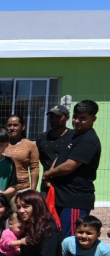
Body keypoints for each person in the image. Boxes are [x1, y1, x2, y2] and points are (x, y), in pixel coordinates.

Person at [42, 100, 102, 238]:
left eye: (82, 118)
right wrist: (50, 175)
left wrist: (48, 174)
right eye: (75, 117)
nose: (77, 121)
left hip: (74, 200)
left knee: (71, 239)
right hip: (60, 196)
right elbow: (60, 157)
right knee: (56, 235)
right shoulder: (73, 135)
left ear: (93, 118)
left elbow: (70, 166)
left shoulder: (89, 140)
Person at [36, 105, 73, 194]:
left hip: (68, 185)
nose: (54, 120)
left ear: (67, 117)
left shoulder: (74, 137)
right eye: (51, 117)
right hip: (47, 184)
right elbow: (39, 159)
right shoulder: (42, 138)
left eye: (58, 117)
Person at [3, 114, 39, 200]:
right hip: (3, 189)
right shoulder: (1, 144)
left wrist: (32, 191)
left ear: (22, 127)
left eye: (15, 125)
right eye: (9, 125)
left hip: (22, 190)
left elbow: (34, 168)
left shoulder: (30, 145)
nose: (12, 128)